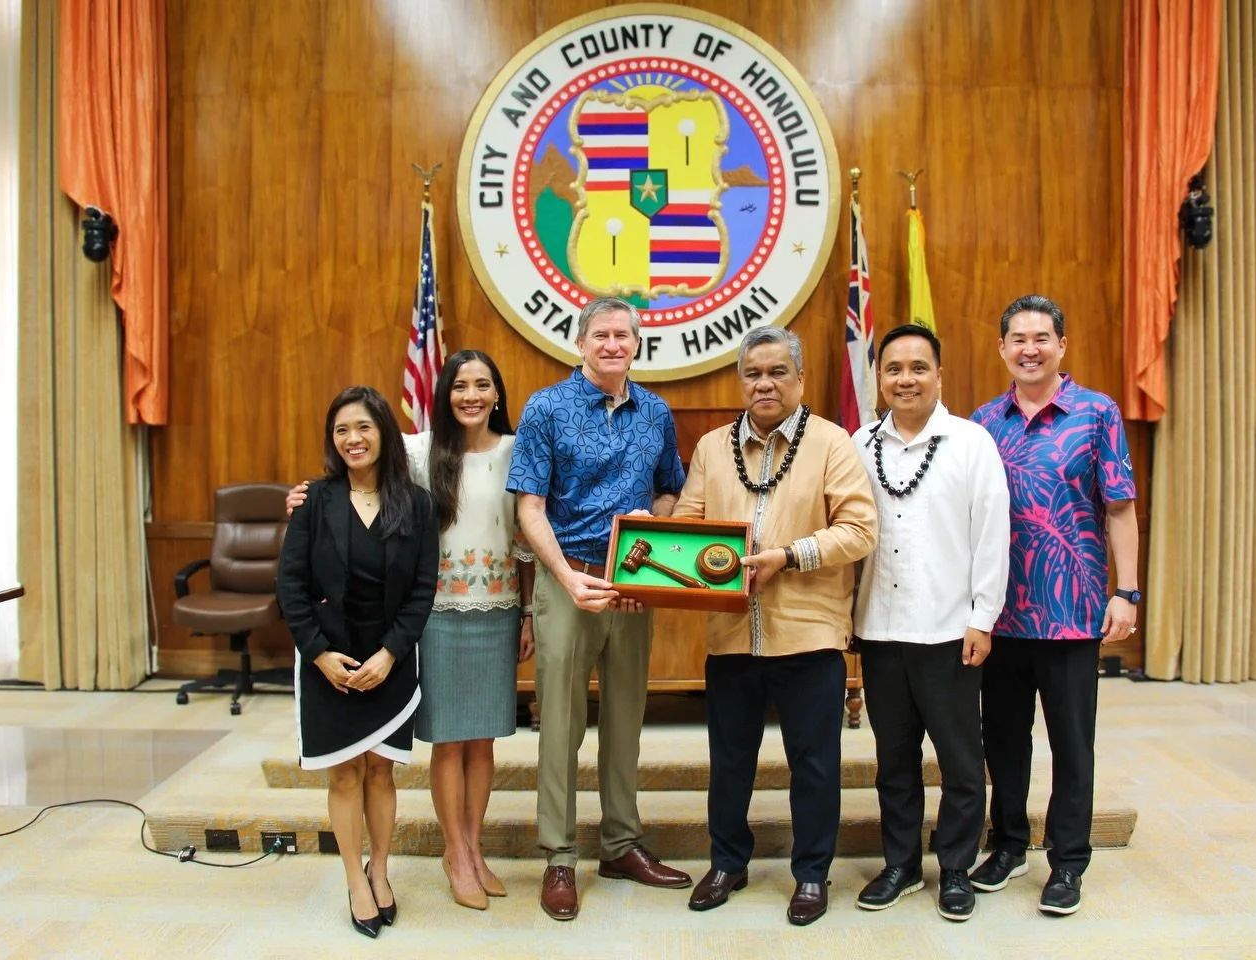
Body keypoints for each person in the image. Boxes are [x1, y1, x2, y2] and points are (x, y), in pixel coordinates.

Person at [287, 351, 535, 912]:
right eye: (459, 386)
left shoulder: (520, 451)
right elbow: (357, 463)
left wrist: (526, 615)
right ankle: (454, 853)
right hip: (437, 615)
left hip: (498, 609)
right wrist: (300, 497)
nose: (471, 396)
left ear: (498, 393)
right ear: (444, 393)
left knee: (484, 740)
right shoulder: (422, 451)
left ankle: (474, 849)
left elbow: (526, 537)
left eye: (482, 385)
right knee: (449, 742)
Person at [675, 326, 877, 927]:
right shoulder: (714, 446)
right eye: (753, 374)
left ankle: (812, 874)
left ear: (800, 379)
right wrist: (657, 538)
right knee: (729, 760)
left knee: (813, 762)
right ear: (741, 382)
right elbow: (689, 521)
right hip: (731, 635)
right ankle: (727, 862)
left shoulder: (833, 444)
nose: (764, 383)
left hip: (808, 633)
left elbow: (859, 529)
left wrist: (787, 556)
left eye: (776, 372)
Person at [506, 296, 691, 921]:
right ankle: (560, 854)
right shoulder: (546, 409)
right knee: (560, 723)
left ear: (637, 344)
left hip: (633, 584)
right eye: (601, 335)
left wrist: (656, 522)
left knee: (625, 719)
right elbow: (528, 506)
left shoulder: (656, 413)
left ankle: (620, 843)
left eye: (623, 335)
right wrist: (562, 577)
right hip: (569, 580)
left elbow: (670, 489)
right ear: (580, 343)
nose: (613, 344)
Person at [968, 294, 1140, 916]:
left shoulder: (1097, 414)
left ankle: (1068, 862)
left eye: (1041, 337)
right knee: (1004, 741)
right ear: (1002, 348)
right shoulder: (983, 422)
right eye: (1017, 338)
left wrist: (1127, 590)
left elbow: (1119, 506)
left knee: (1072, 743)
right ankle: (1009, 844)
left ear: (1061, 345)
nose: (1029, 349)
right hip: (1000, 614)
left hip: (1073, 611)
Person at [849, 324, 1010, 922]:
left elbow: (992, 538)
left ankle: (957, 869)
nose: (906, 378)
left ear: (939, 374)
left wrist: (982, 618)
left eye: (919, 367)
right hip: (882, 630)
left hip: (949, 631)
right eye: (894, 369)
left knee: (962, 761)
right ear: (880, 378)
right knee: (893, 759)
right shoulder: (859, 445)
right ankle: (901, 865)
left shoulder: (972, 444)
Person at [276, 385, 439, 939]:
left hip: (390, 659)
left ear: (384, 433)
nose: (353, 439)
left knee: (379, 770)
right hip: (330, 661)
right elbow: (291, 588)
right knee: (344, 772)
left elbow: (422, 590)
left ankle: (382, 871)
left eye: (363, 427)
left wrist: (392, 653)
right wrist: (319, 655)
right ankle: (354, 878)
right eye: (341, 430)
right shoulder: (314, 502)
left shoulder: (415, 503)